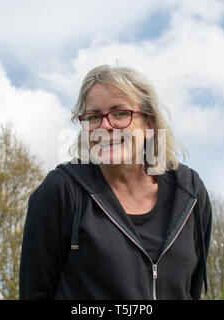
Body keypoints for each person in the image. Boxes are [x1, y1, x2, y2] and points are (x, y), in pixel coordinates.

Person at [19, 65, 212, 300]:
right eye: (93, 117)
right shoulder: (61, 191)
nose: (105, 126)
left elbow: (191, 291)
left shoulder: (190, 193)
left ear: (149, 125)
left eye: (120, 113)